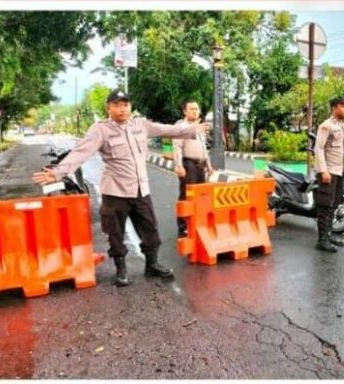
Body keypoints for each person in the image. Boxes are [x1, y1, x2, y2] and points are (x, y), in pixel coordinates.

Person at [32, 89, 210, 287]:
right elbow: (81, 152)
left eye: (125, 105)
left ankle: (152, 264)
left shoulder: (140, 125)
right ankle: (121, 269)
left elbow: (167, 129)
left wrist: (193, 130)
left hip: (141, 190)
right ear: (108, 108)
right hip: (115, 191)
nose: (122, 109)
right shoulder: (100, 129)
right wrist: (58, 172)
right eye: (117, 105)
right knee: (115, 233)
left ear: (130, 107)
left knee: (150, 229)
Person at [314, 96, 344, 253]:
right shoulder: (326, 126)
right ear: (335, 107)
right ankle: (322, 240)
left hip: (339, 171)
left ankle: (328, 235)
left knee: (334, 205)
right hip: (329, 172)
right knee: (325, 206)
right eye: (343, 106)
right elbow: (319, 148)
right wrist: (323, 170)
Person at [173, 100, 213, 238]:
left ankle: (197, 224)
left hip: (200, 165)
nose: (195, 111)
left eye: (197, 109)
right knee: (186, 195)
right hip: (188, 165)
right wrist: (178, 165)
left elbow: (203, 147)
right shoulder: (182, 127)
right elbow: (177, 146)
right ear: (185, 111)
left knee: (201, 196)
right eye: (192, 109)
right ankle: (183, 228)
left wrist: (208, 165)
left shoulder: (199, 128)